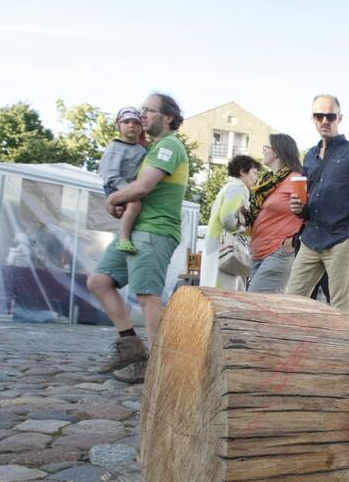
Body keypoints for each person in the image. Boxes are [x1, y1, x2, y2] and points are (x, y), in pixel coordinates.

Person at [87, 93, 189, 384]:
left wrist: (113, 200)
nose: (143, 115)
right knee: (99, 281)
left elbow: (143, 188)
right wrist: (122, 201)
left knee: (147, 296)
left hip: (155, 230)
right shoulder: (152, 149)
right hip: (137, 230)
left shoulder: (169, 147)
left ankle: (158, 369)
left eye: (149, 110)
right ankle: (131, 347)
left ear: (168, 117)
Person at [285, 94, 349, 313]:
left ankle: (346, 347)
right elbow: (307, 201)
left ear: (340, 117)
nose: (325, 120)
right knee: (290, 302)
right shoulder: (310, 156)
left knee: (341, 308)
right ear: (312, 118)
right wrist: (299, 209)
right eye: (319, 115)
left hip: (340, 239)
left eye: (330, 116)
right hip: (310, 238)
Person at [243, 134, 303, 293]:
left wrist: (294, 239)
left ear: (276, 152)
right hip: (258, 252)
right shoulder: (267, 182)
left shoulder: (295, 180)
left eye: (266, 148)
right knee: (260, 306)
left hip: (277, 252)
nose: (263, 151)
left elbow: (308, 211)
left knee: (255, 302)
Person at [200, 154, 260, 291]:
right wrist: (247, 225)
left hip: (215, 247)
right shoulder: (238, 188)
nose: (256, 178)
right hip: (224, 250)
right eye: (254, 173)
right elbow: (228, 219)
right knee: (225, 296)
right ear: (242, 171)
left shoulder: (228, 187)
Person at [98, 107, 148, 253]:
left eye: (136, 123)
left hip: (133, 186)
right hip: (116, 185)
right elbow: (110, 174)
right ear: (118, 125)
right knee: (134, 204)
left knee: (134, 206)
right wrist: (129, 190)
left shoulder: (142, 149)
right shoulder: (115, 147)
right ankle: (124, 238)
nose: (132, 125)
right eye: (126, 122)